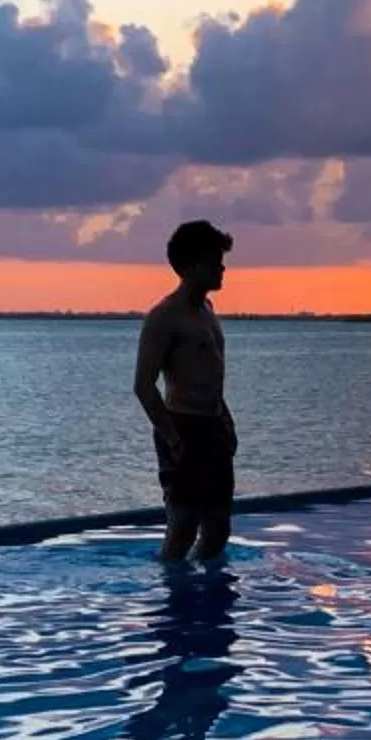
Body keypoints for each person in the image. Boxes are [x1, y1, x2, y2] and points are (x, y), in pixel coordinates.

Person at [134, 218, 234, 562]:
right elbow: (143, 385)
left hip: (213, 425)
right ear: (191, 265)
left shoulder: (207, 310)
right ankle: (172, 598)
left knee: (218, 527)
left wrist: (224, 419)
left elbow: (210, 374)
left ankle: (206, 598)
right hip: (182, 425)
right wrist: (173, 438)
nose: (222, 268)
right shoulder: (164, 317)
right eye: (214, 261)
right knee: (183, 526)